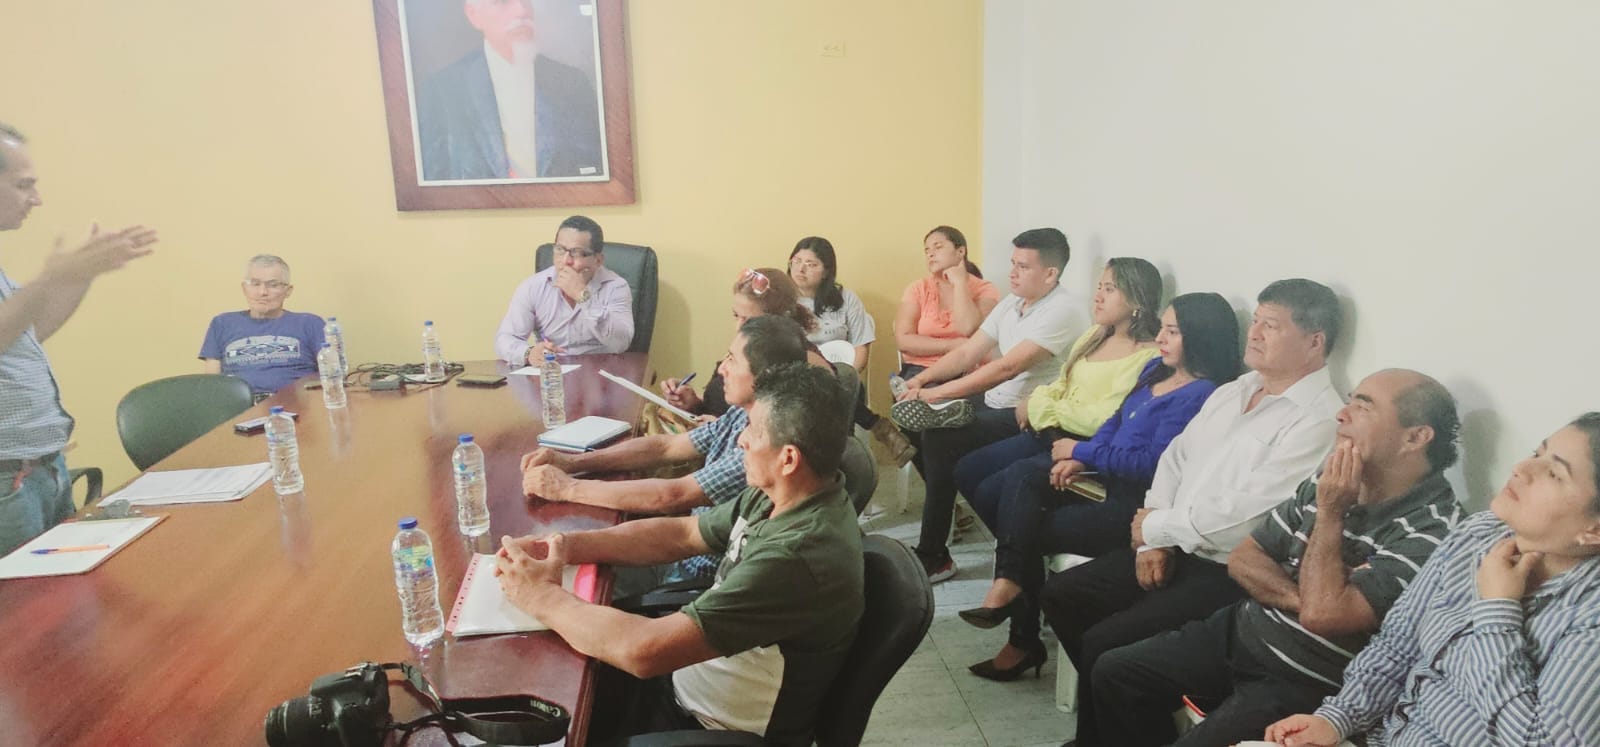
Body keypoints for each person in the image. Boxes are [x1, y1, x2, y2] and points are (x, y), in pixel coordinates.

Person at [1039, 278, 1345, 747]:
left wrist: (1157, 528)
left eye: (1271, 325)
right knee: (1063, 594)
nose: (1254, 333)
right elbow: (1175, 459)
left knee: (1107, 644)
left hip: (1228, 570)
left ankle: (1105, 736)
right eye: (1256, 320)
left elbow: (1247, 515)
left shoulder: (1318, 420)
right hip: (1171, 540)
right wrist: (1154, 538)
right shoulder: (1236, 390)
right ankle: (1123, 730)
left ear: (1314, 341)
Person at [495, 362, 863, 746]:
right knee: (539, 712)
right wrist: (564, 546)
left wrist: (540, 596)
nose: (741, 441)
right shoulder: (782, 495)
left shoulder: (796, 556)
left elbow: (644, 652)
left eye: (753, 431)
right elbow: (683, 533)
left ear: (788, 459)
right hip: (686, 680)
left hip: (711, 727)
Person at [1094, 369, 1464, 747]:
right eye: (1349, 401)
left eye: (1363, 407)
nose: (1342, 414)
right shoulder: (1329, 477)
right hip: (1246, 629)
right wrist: (1304, 600)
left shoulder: (1433, 532)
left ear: (1415, 437)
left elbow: (1324, 617)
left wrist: (1331, 512)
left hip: (1309, 680)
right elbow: (1245, 558)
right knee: (1115, 671)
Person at [1265, 413, 1600, 747]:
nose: (1521, 469)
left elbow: (1536, 741)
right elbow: (1398, 644)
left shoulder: (1590, 613)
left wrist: (1497, 611)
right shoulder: (1480, 532)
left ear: (1595, 530)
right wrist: (1337, 718)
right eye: (1536, 453)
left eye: (1554, 474)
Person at [958, 292, 1242, 681]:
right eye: (1163, 328)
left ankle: (1020, 633)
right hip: (1102, 475)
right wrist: (1084, 456)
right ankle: (1009, 588)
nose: (1160, 338)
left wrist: (1081, 451)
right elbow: (1115, 421)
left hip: (1134, 502)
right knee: (1018, 482)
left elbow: (1152, 464)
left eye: (1173, 332)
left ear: (1201, 338)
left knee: (1023, 529)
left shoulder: (1202, 395)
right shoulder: (1157, 369)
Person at [914, 257, 1163, 583]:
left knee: (997, 488)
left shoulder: (1147, 356)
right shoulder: (1096, 335)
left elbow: (1105, 417)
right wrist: (1038, 403)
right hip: (1044, 426)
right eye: (1099, 287)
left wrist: (1042, 409)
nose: (1098, 296)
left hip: (1078, 443)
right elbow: (1060, 382)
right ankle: (1018, 556)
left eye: (1110, 289)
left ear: (1137, 301)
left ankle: (1016, 575)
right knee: (967, 469)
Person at [521, 315, 808, 580]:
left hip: (692, 576)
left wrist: (568, 488)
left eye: (733, 360)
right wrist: (572, 462)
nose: (722, 368)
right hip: (679, 549)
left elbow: (671, 495)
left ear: (764, 377)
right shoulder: (742, 413)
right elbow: (666, 447)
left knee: (570, 576)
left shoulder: (764, 445)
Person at [888, 228, 1086, 580]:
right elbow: (969, 351)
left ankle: (936, 554)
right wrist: (922, 380)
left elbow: (1005, 368)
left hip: (1025, 413)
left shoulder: (1064, 310)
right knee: (936, 436)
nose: (1012, 273)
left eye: (1023, 266)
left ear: (1050, 274)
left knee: (940, 439)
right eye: (1013, 264)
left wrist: (936, 394)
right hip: (993, 399)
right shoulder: (1013, 302)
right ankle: (937, 550)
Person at [0, 123, 157, 555]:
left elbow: (27, 333)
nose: (36, 199)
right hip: (8, 483)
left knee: (59, 592)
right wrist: (52, 278)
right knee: (24, 599)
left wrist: (79, 276)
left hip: (41, 472)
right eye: (23, 185)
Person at [414, 0, 604, 181]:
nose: (522, 11)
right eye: (503, 1)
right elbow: (436, 184)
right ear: (474, 15)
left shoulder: (572, 83)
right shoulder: (442, 90)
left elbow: (594, 169)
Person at [787, 236, 912, 463]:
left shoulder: (846, 299)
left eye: (811, 264)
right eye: (796, 261)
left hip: (840, 375)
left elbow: (861, 348)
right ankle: (877, 425)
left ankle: (840, 460)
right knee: (823, 392)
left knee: (846, 387)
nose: (800, 269)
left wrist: (846, 377)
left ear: (826, 271)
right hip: (797, 376)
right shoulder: (782, 299)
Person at [892, 225, 1002, 472]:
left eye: (938, 247)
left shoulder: (985, 289)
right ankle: (943, 482)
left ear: (960, 251)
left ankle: (950, 480)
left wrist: (960, 283)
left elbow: (968, 328)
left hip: (970, 370)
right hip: (921, 369)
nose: (930, 253)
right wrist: (951, 345)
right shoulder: (917, 289)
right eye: (926, 250)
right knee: (912, 411)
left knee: (969, 419)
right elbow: (904, 340)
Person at [660, 267, 826, 419]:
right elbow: (720, 408)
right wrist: (693, 403)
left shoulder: (803, 362)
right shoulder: (746, 344)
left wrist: (722, 430)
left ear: (777, 320)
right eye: (736, 315)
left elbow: (788, 432)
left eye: (748, 320)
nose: (739, 327)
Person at [495, 215, 633, 362]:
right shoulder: (533, 287)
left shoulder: (616, 287)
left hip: (600, 368)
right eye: (560, 250)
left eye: (576, 252)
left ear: (597, 260)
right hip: (552, 369)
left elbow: (621, 343)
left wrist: (583, 296)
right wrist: (528, 353)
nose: (565, 260)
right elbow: (505, 339)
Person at [198, 255, 325, 400]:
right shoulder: (222, 324)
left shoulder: (310, 323)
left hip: (295, 404)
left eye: (273, 285)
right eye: (255, 284)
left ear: (288, 291)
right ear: (244, 288)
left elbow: (332, 374)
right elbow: (212, 385)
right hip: (239, 407)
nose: (262, 292)